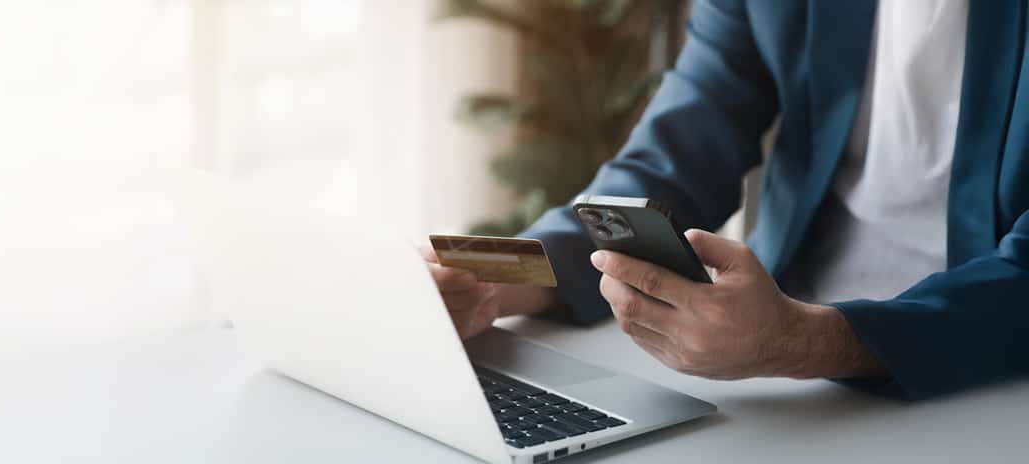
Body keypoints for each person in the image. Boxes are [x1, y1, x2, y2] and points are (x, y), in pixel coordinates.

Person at [425, 0, 1029, 399]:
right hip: (781, 357)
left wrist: (806, 341)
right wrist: (493, 272)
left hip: (983, 377)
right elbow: (679, 155)